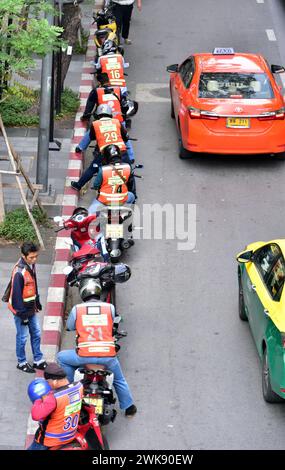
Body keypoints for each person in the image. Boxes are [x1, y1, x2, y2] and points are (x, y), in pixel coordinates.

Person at [57, 279, 137, 417]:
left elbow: (70, 327)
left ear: (83, 293)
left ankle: (70, 390)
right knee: (119, 379)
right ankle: (129, 407)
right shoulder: (109, 307)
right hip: (108, 357)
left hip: (83, 356)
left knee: (61, 358)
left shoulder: (77, 309)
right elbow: (113, 323)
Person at [71, 104, 134, 192]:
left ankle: (78, 185)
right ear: (110, 114)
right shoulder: (116, 122)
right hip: (121, 151)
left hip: (105, 153)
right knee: (130, 170)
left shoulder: (95, 124)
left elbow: (92, 137)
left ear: (97, 115)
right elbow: (126, 137)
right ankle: (132, 192)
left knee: (92, 169)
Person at [7, 242, 47, 373]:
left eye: (36, 256)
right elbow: (17, 296)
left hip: (31, 309)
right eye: (31, 257)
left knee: (36, 333)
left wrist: (37, 301)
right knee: (22, 337)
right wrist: (23, 316)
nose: (34, 259)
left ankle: (38, 359)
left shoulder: (31, 265)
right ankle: (21, 362)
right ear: (23, 256)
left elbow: (32, 286)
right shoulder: (20, 272)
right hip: (21, 311)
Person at [27, 363, 83, 450]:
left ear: (55, 381)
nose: (48, 385)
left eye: (48, 382)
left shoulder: (54, 398)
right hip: (70, 436)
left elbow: (36, 415)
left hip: (49, 441)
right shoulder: (79, 387)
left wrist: (39, 398)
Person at [88, 144, 135, 214]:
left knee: (90, 213)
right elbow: (130, 183)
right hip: (122, 200)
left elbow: (96, 185)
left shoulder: (103, 170)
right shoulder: (128, 167)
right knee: (132, 196)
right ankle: (127, 212)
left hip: (104, 201)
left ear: (106, 157)